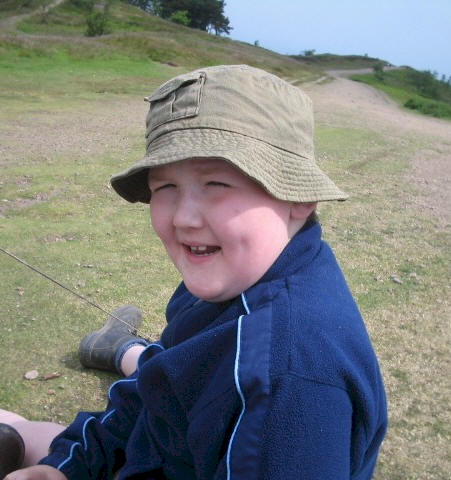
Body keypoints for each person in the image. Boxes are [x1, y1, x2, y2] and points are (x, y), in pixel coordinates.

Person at [2, 64, 387, 479]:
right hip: (163, 439)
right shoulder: (238, 275)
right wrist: (67, 466)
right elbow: (162, 388)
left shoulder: (290, 384)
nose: (183, 218)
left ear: (300, 197)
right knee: (26, 434)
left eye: (217, 184)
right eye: (164, 187)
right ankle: (122, 349)